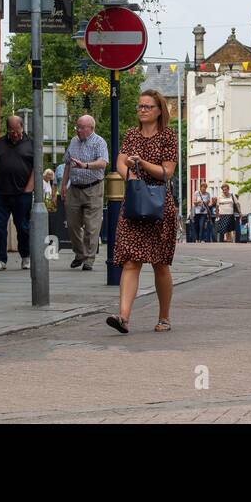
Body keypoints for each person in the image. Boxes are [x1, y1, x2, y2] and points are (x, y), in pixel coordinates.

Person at [107, 90, 179, 334]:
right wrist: (132, 175)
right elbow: (119, 162)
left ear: (159, 110)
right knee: (130, 261)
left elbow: (167, 172)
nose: (142, 110)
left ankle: (164, 317)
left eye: (148, 106)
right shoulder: (131, 135)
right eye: (140, 106)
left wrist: (142, 164)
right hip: (135, 203)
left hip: (159, 205)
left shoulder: (168, 136)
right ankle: (123, 317)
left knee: (160, 264)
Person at [62, 114, 109, 271]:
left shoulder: (99, 142)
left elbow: (103, 163)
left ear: (91, 128)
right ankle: (80, 253)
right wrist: (63, 185)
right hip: (74, 188)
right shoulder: (74, 141)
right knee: (73, 225)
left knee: (91, 226)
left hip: (93, 188)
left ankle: (89, 259)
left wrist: (86, 166)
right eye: (77, 127)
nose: (78, 130)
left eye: (81, 127)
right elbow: (68, 164)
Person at [0, 116, 34, 271]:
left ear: (22, 127)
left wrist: (29, 188)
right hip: (1, 193)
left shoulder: (30, 144)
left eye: (17, 130)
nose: (14, 134)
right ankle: (0, 259)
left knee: (23, 227)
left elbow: (36, 169)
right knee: (0, 227)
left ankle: (26, 257)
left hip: (22, 194)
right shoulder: (0, 143)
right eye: (10, 130)